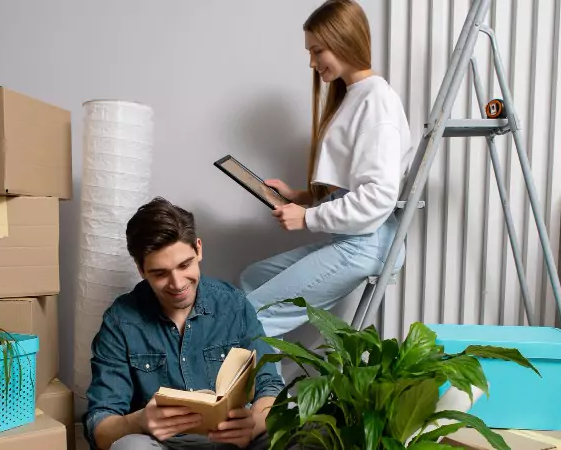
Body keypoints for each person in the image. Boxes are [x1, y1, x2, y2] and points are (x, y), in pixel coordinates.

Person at [240, 0, 414, 339]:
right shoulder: (353, 95)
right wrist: (301, 196)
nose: (312, 62)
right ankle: (264, 373)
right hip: (355, 237)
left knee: (252, 316)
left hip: (368, 242)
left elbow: (377, 196)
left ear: (344, 40)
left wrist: (307, 217)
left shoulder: (377, 101)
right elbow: (353, 180)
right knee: (252, 278)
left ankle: (251, 376)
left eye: (317, 51)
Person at [84, 197, 285, 450]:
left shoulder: (233, 304)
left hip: (232, 442)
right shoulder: (120, 321)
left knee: (297, 425)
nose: (177, 284)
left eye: (185, 265)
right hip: (162, 445)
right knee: (130, 447)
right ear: (141, 269)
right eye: (160, 273)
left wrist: (253, 424)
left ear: (198, 249)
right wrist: (138, 421)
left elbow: (270, 386)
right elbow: (99, 426)